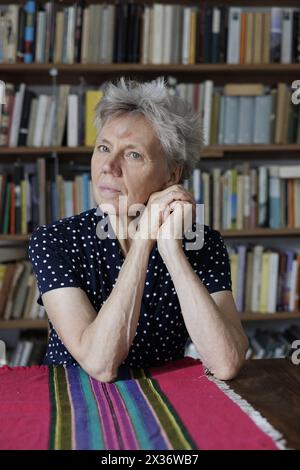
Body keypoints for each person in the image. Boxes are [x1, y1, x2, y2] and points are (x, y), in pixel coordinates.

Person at [28, 77, 248, 383]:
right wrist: (144, 241)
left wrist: (171, 250)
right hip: (73, 401)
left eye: (133, 154)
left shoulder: (202, 243)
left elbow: (226, 362)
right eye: (104, 148)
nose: (108, 166)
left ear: (172, 175)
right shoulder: (55, 241)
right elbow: (101, 364)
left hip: (163, 405)